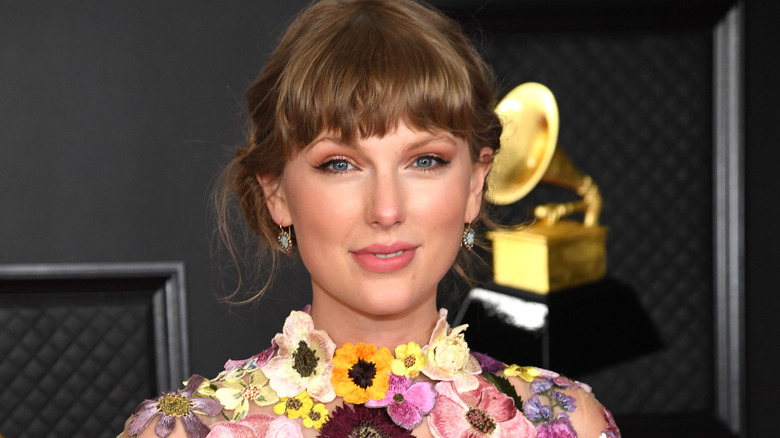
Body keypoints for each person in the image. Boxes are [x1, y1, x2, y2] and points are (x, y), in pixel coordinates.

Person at [122, 0, 621, 437]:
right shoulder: (181, 433)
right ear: (276, 192)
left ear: (475, 183)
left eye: (425, 160)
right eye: (340, 164)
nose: (387, 209)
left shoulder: (565, 423)